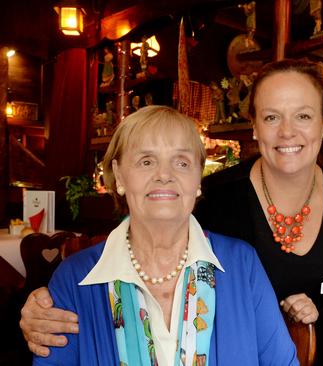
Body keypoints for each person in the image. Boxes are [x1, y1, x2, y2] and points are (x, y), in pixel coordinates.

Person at [20, 60, 323, 365]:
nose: (165, 175)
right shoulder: (217, 198)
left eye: (303, 115)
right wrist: (40, 303)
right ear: (255, 127)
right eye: (272, 116)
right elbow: (146, 228)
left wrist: (307, 317)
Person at [29, 105, 297, 365]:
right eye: (146, 161)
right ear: (119, 176)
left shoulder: (242, 263)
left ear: (198, 180)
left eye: (181, 162)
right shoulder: (74, 279)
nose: (165, 175)